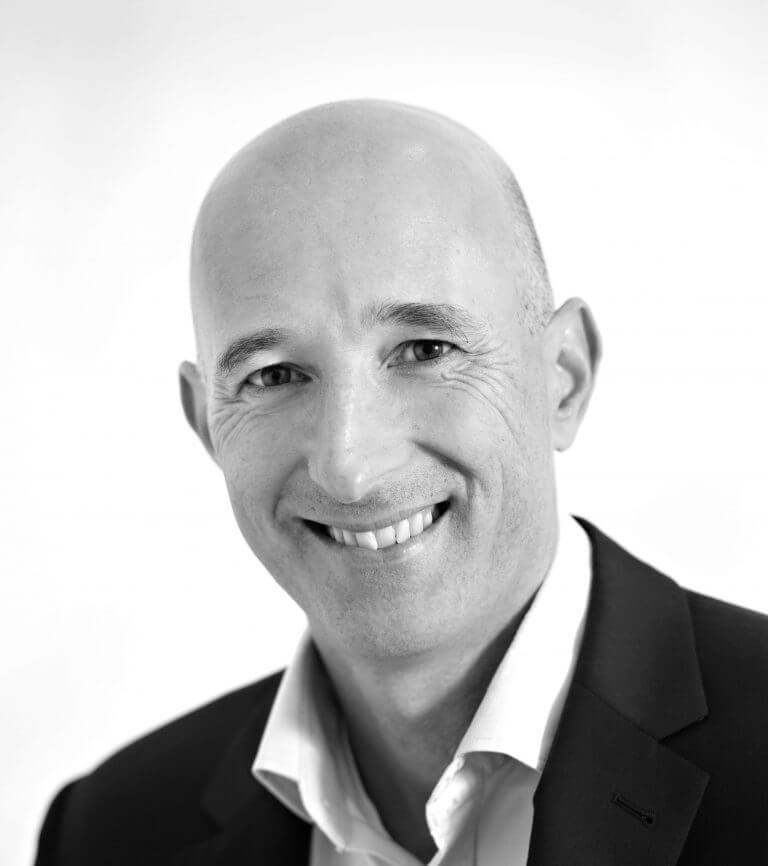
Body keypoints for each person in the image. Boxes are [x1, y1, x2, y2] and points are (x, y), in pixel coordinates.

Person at [35, 100, 768, 866]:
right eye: (274, 375)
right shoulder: (108, 834)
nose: (350, 467)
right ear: (207, 424)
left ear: (563, 376)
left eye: (424, 349)